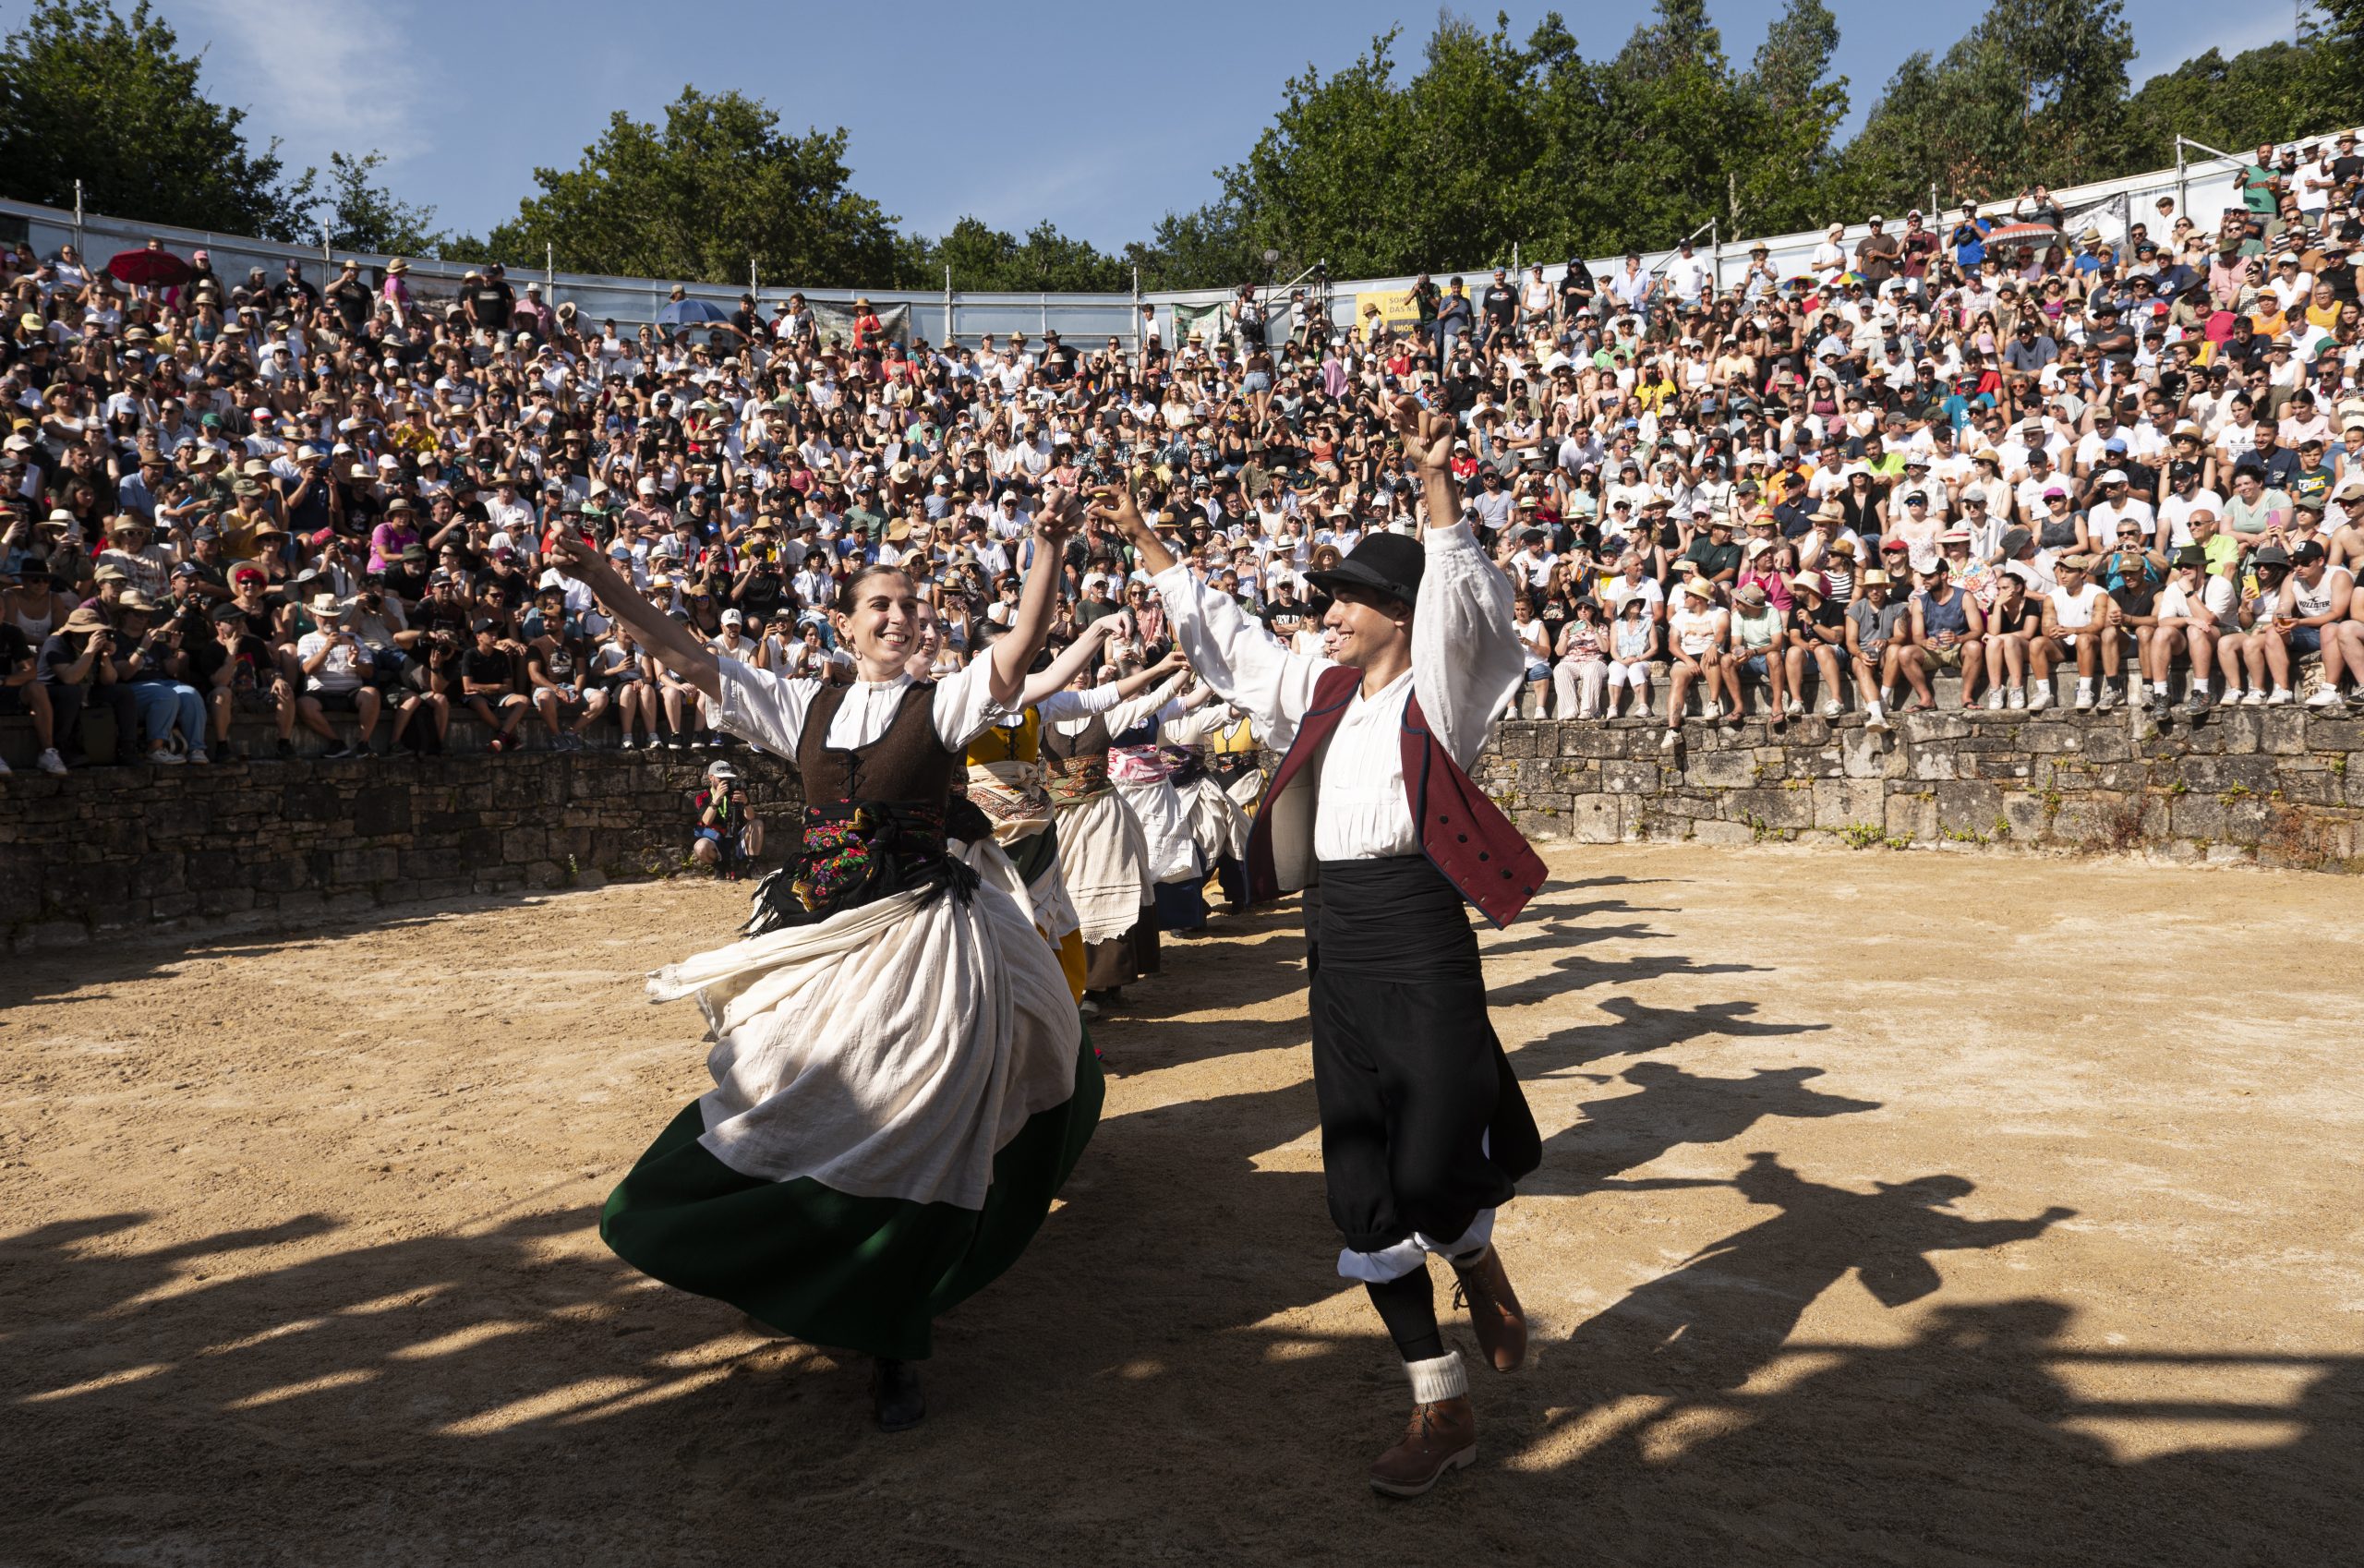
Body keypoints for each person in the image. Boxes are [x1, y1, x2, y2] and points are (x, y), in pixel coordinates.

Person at [556, 490, 1094, 1435]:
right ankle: (801, 1265)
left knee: (918, 1111)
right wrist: (602, 578)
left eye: (912, 607)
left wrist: (1045, 547)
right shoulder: (802, 701)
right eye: (878, 606)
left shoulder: (947, 699)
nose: (898, 618)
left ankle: (892, 1337)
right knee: (773, 1085)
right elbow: (684, 657)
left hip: (925, 936)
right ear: (841, 624)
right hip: (820, 932)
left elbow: (1015, 650)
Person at [1111, 398, 1543, 1500]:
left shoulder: (1443, 692)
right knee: (1359, 1185)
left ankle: (1476, 1253)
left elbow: (1472, 611)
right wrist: (1153, 547)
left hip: (1418, 925)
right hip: (1336, 933)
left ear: (1399, 614)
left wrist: (1436, 481)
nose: (1330, 615)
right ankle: (1435, 1402)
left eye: (1350, 599)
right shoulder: (1319, 689)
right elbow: (1232, 642)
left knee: (1433, 1161)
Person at [690, 758, 762, 876]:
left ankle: (752, 866)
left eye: (728, 779)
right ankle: (719, 867)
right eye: (721, 779)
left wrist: (746, 802)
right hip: (715, 842)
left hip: (736, 838)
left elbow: (750, 817)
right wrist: (716, 799)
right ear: (711, 777)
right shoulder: (703, 797)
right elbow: (706, 821)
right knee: (700, 847)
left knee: (757, 824)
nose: (725, 782)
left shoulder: (737, 793)